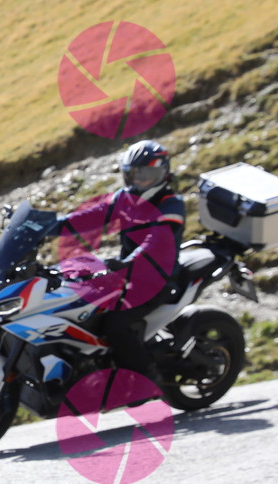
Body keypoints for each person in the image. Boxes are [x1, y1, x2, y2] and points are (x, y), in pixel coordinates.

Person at [60, 139, 185, 382]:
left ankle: (147, 380)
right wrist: (48, 225)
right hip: (127, 276)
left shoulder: (170, 204)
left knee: (116, 325)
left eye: (147, 175)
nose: (140, 180)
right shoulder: (125, 199)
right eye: (135, 174)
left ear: (162, 173)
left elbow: (156, 242)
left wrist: (129, 262)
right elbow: (89, 217)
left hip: (157, 280)